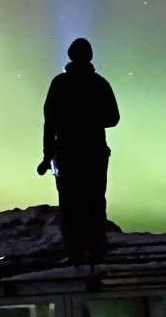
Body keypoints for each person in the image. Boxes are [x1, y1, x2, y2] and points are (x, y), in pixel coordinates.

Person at [37, 36, 119, 264]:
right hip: (94, 154)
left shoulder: (60, 83)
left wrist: (47, 154)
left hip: (67, 155)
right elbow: (113, 118)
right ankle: (96, 254)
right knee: (94, 203)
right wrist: (91, 119)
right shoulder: (99, 83)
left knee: (70, 206)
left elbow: (49, 122)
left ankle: (74, 255)